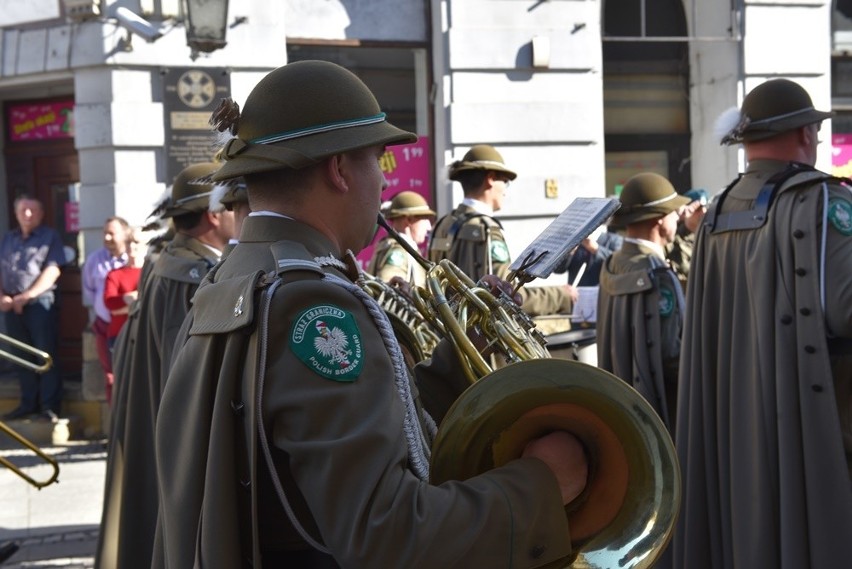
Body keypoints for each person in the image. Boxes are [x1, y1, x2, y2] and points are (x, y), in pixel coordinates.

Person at [154, 60, 589, 569]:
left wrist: (457, 362)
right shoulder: (313, 304)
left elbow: (336, 435)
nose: (383, 184)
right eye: (377, 161)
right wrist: (541, 485)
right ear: (339, 169)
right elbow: (387, 533)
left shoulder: (232, 274)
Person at [674, 78, 852, 568]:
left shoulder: (717, 211)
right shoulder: (823, 200)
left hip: (733, 422)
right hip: (816, 423)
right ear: (804, 134)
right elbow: (845, 308)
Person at [95, 162, 235, 569]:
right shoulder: (190, 278)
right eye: (232, 205)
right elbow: (189, 388)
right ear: (213, 214)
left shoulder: (168, 260)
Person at [428, 145, 577, 316]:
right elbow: (507, 295)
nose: (505, 190)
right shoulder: (487, 228)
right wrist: (561, 296)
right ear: (491, 178)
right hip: (477, 337)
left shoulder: (442, 224)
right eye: (505, 182)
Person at [596, 173, 689, 432]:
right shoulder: (658, 275)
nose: (677, 217)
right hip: (662, 412)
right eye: (673, 213)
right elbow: (672, 356)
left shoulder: (613, 262)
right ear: (659, 221)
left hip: (621, 400)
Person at [0, 195, 65, 420]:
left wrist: (26, 297)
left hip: (39, 304)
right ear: (16, 213)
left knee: (44, 355)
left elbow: (53, 271)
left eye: (33, 210)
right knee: (20, 356)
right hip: (10, 306)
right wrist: (3, 297)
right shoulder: (8, 238)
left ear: (41, 213)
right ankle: (28, 403)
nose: (27, 214)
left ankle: (49, 407)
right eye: (23, 210)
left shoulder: (50, 237)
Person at [81, 216, 131, 404]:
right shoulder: (94, 260)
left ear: (125, 234)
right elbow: (89, 291)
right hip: (103, 326)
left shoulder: (134, 259)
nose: (107, 237)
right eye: (105, 233)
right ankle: (115, 425)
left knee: (130, 375)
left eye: (112, 233)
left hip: (127, 327)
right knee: (110, 376)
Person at [101, 229, 147, 403]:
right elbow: (110, 304)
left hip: (145, 335)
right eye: (129, 242)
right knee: (122, 383)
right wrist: (135, 299)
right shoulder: (115, 274)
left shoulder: (152, 274)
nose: (132, 247)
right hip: (119, 335)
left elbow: (153, 305)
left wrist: (127, 301)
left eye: (137, 242)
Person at [368, 190, 435, 286]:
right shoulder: (399, 252)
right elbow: (390, 291)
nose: (429, 227)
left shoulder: (392, 246)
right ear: (409, 220)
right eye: (425, 218)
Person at [664, 188, 708, 292]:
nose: (703, 212)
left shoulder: (711, 237)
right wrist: (678, 216)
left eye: (705, 207)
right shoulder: (673, 239)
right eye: (697, 209)